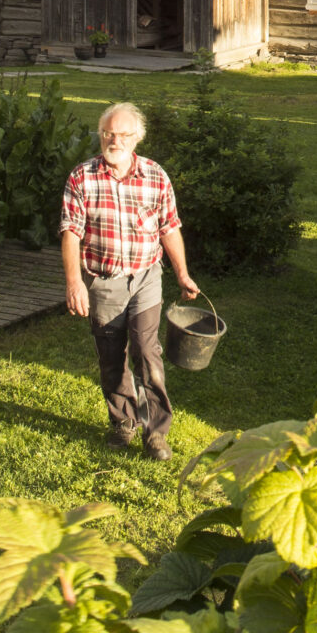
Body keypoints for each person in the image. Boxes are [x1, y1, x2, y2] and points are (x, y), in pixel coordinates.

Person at [60, 100, 199, 460]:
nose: (113, 140)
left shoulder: (155, 176)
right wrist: (75, 283)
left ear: (136, 139)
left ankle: (155, 432)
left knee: (146, 351)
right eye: (108, 133)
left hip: (145, 279)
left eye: (122, 134)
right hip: (103, 282)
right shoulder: (82, 177)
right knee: (111, 357)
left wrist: (182, 274)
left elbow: (169, 228)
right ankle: (123, 421)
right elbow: (71, 233)